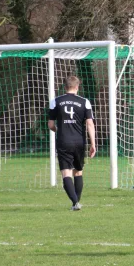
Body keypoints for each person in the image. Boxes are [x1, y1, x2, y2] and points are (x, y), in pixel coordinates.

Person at [48, 76, 96, 211]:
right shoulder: (84, 102)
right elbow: (90, 124)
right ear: (77, 86)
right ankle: (76, 203)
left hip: (63, 141)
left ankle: (75, 203)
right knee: (78, 172)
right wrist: (93, 144)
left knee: (66, 174)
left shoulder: (55, 101)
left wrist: (59, 130)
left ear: (65, 86)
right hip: (79, 142)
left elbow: (50, 124)